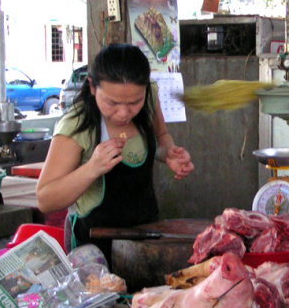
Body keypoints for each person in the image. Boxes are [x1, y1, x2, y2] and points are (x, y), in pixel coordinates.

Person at [36, 43, 194, 264]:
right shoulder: (77, 124)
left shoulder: (149, 97)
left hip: (146, 238)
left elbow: (162, 136)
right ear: (92, 87)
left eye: (134, 102)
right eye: (112, 102)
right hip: (94, 248)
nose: (123, 112)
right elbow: (45, 199)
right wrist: (92, 169)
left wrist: (168, 153)